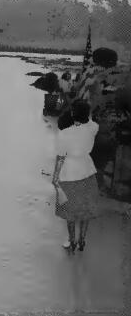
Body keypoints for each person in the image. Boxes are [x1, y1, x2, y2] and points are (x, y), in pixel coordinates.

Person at [52, 99, 131, 254]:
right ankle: (82, 240)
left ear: (73, 114)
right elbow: (90, 122)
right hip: (87, 170)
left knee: (70, 212)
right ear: (87, 114)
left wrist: (55, 176)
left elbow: (60, 157)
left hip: (69, 173)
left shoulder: (63, 134)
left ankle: (72, 241)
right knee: (86, 210)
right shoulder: (93, 128)